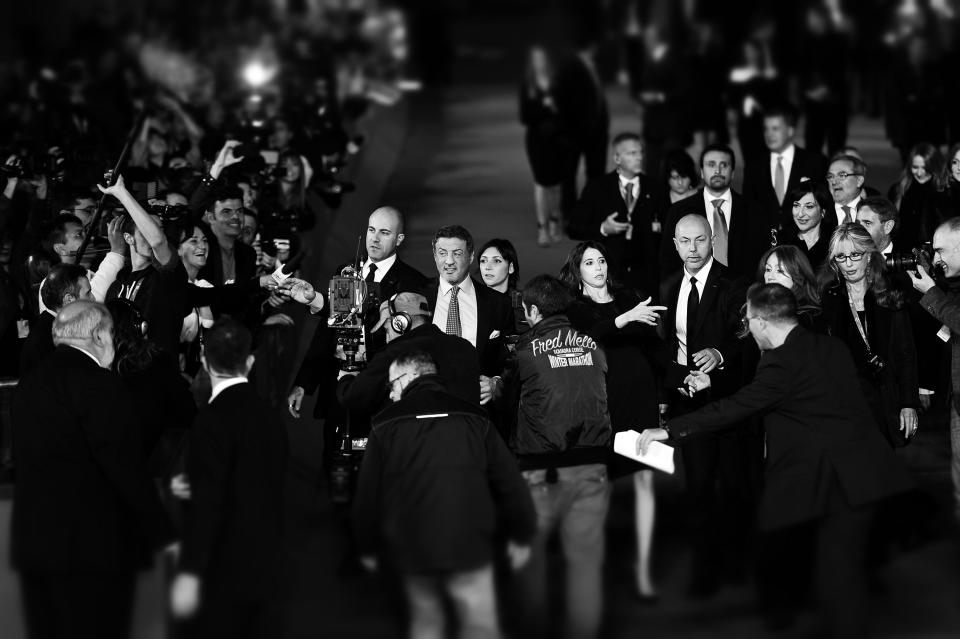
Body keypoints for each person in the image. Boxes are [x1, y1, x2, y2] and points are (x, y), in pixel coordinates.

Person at [638, 283, 913, 637]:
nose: (748, 330)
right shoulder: (831, 346)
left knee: (837, 580)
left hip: (834, 484)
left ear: (763, 322)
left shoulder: (780, 365)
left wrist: (670, 430)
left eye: (749, 322)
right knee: (835, 572)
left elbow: (736, 408)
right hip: (863, 476)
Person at [12, 300, 174, 639]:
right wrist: (162, 532)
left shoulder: (29, 385)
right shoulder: (101, 385)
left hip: (35, 545)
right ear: (99, 335)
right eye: (112, 334)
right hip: (92, 552)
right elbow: (124, 466)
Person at [352, 351, 536, 639]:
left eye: (392, 385)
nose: (390, 395)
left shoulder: (384, 424)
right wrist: (522, 534)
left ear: (411, 377)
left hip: (414, 551)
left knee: (426, 626)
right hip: (471, 547)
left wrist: (367, 547)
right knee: (481, 628)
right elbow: (509, 481)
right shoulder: (476, 417)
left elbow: (367, 494)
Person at [560, 241, 666, 601]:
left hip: (642, 400)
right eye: (589, 262)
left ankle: (644, 568)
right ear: (578, 272)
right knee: (599, 485)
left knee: (645, 483)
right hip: (602, 405)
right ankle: (598, 566)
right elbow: (592, 334)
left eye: (602, 260)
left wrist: (669, 389)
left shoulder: (629, 298)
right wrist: (627, 318)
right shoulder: (576, 308)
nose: (598, 267)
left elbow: (653, 349)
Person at [170, 318, 288, 638]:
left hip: (223, 565)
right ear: (249, 362)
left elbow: (208, 502)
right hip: (268, 560)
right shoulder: (271, 418)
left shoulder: (210, 420)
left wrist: (190, 573)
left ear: (206, 363)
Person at [511, 274, 612, 639]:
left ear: (533, 310)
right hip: (593, 465)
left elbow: (509, 396)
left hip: (541, 470)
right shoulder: (594, 344)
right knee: (585, 566)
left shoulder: (524, 349)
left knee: (531, 564)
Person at [659, 214, 752, 597]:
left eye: (700, 240)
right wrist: (670, 392)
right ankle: (703, 570)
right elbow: (665, 347)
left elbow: (749, 339)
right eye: (685, 241)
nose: (693, 249)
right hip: (688, 405)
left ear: (712, 240)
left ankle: (736, 563)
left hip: (729, 401)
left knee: (732, 487)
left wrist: (720, 354)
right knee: (697, 489)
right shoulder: (667, 286)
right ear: (676, 244)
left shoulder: (736, 283)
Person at [819, 223, 919, 447]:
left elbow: (906, 353)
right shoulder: (829, 298)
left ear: (870, 255)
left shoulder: (890, 293)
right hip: (845, 402)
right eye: (841, 257)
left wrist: (908, 403)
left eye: (855, 255)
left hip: (885, 400)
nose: (848, 264)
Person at [336, 291, 481, 415]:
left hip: (413, 442)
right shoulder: (466, 348)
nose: (387, 338)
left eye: (387, 329)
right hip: (466, 440)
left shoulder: (395, 353)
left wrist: (347, 376)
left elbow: (352, 398)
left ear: (400, 323)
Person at [568, 132, 667, 296]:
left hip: (647, 278)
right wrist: (603, 228)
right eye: (632, 153)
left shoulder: (656, 189)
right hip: (608, 277)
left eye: (641, 152)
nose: (639, 157)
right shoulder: (597, 188)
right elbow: (573, 227)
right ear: (617, 158)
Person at [424, 225, 514, 404]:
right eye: (442, 253)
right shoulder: (416, 296)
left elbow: (511, 360)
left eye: (457, 253)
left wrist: (496, 383)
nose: (449, 261)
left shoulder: (498, 304)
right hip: (428, 404)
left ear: (471, 256)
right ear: (434, 256)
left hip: (477, 410)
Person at [909, 216, 960, 523]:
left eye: (941, 250)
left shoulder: (943, 292)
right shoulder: (951, 286)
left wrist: (931, 291)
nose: (936, 258)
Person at [659, 144, 769, 280]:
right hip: (694, 293)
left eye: (724, 165)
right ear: (701, 172)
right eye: (711, 165)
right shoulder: (679, 210)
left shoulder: (754, 211)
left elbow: (762, 258)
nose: (717, 171)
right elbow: (668, 259)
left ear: (733, 172)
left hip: (744, 292)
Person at [742, 105, 827, 229]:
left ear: (790, 131)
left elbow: (824, 204)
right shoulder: (753, 167)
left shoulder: (815, 163)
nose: (769, 134)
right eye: (766, 129)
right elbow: (748, 208)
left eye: (775, 129)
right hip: (765, 241)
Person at [519, 45, 567, 245]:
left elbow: (566, 111)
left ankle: (555, 221)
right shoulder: (528, 85)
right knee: (540, 183)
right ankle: (542, 228)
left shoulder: (556, 83)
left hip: (556, 139)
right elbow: (525, 116)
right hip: (537, 139)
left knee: (555, 184)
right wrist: (544, 108)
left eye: (542, 59)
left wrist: (554, 108)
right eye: (535, 59)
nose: (539, 63)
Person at [20, 262, 92, 375]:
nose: (93, 298)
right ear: (69, 299)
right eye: (88, 293)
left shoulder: (53, 328)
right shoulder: (45, 340)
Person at [889, 143, 948, 245]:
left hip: (935, 253)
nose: (920, 173)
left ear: (935, 166)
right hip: (904, 253)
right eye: (915, 167)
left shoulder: (945, 191)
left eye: (926, 168)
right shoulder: (899, 190)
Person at [756, 245, 823, 332]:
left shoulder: (805, 319)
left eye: (779, 271)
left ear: (798, 276)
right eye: (768, 269)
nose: (770, 276)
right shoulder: (757, 306)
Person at [778, 180, 835, 270]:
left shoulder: (834, 244)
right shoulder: (781, 241)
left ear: (823, 212)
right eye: (796, 205)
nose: (800, 214)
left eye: (809, 207)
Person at [477, 238, 525, 335]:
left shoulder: (524, 303)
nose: (488, 267)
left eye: (497, 261)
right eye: (483, 261)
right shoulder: (471, 301)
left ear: (511, 268)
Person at [826, 154, 866, 226]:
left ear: (859, 181)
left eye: (842, 175)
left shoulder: (872, 212)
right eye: (830, 176)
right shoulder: (820, 214)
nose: (834, 182)